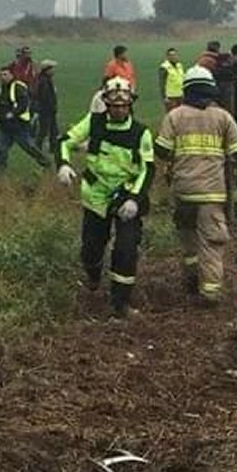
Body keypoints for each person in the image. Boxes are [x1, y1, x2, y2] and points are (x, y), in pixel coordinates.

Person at [56, 77, 155, 319]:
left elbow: (147, 169)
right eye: (114, 105)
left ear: (130, 104)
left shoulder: (141, 133)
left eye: (124, 105)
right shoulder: (94, 122)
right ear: (106, 104)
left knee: (126, 249)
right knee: (91, 248)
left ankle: (120, 302)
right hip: (95, 197)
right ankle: (93, 275)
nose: (119, 109)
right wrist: (63, 165)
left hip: (125, 200)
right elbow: (65, 141)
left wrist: (134, 198)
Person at [154, 66, 237, 305]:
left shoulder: (175, 116)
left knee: (189, 241)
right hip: (212, 194)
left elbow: (162, 150)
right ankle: (209, 293)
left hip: (184, 193)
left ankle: (191, 279)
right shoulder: (223, 117)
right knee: (211, 243)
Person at [0, 64, 50, 172]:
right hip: (5, 126)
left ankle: (45, 162)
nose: (2, 77)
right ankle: (1, 167)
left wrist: (13, 113)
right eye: (1, 75)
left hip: (18, 125)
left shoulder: (18, 87)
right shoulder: (2, 88)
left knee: (29, 147)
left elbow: (23, 104)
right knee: (2, 149)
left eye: (5, 74)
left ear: (11, 75)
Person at [34, 59, 60, 153]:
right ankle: (37, 148)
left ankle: (53, 148)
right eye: (52, 69)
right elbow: (45, 97)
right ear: (47, 70)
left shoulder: (45, 79)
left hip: (48, 110)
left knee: (53, 130)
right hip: (46, 110)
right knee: (44, 130)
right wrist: (52, 107)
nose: (53, 71)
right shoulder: (44, 81)